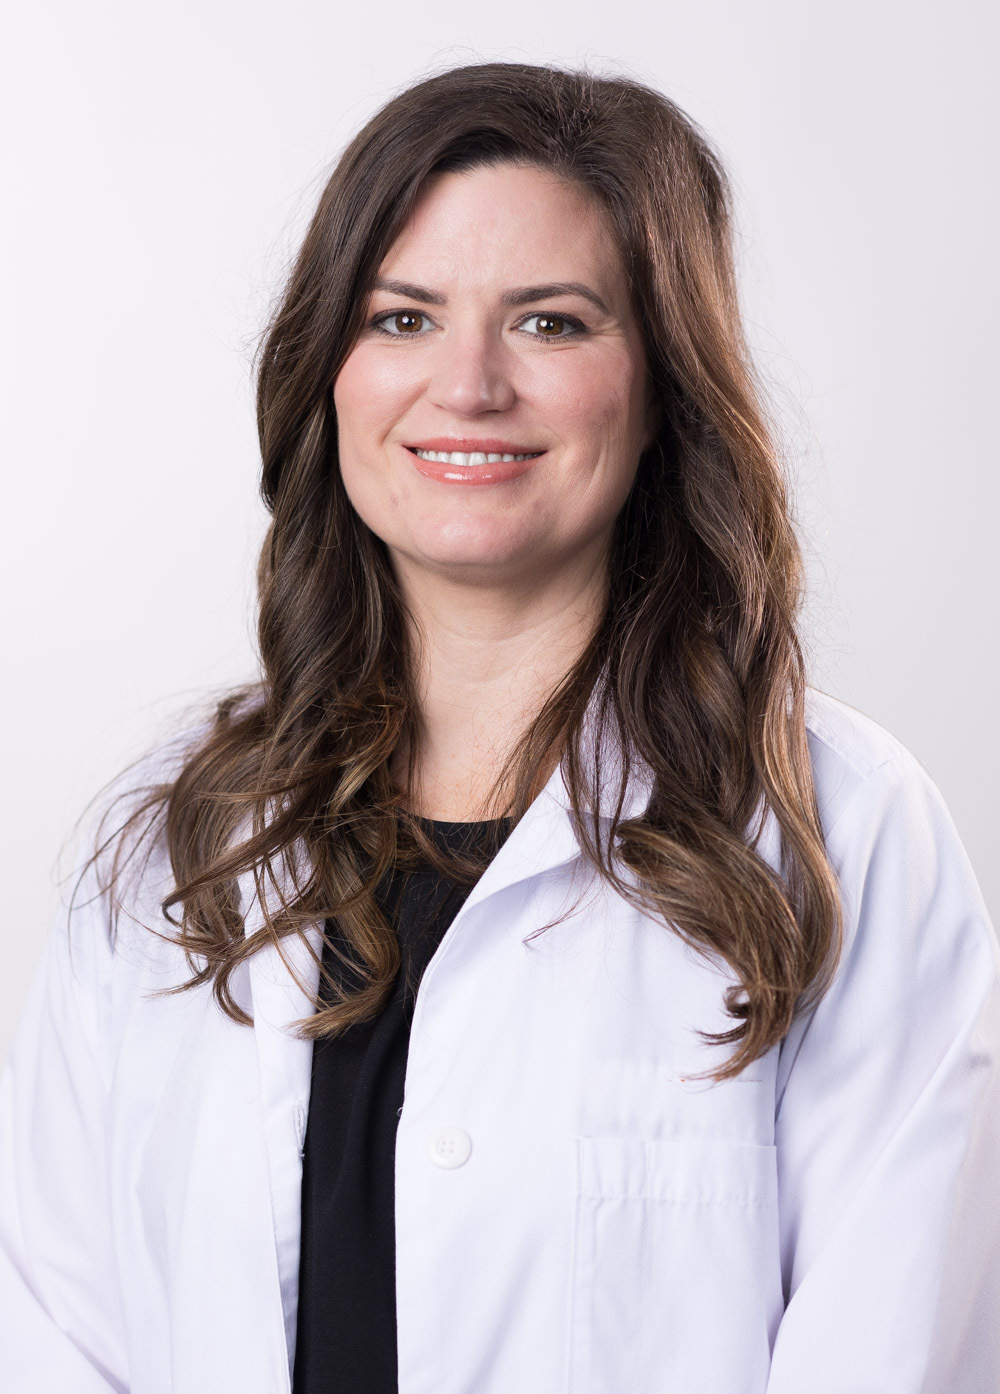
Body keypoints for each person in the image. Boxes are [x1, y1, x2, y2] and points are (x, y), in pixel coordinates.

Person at [1, 60, 997, 1394]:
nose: (467, 385)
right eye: (402, 318)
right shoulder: (169, 844)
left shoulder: (840, 829)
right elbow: (58, 1333)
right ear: (330, 375)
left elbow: (890, 1353)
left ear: (660, 389)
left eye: (550, 322)